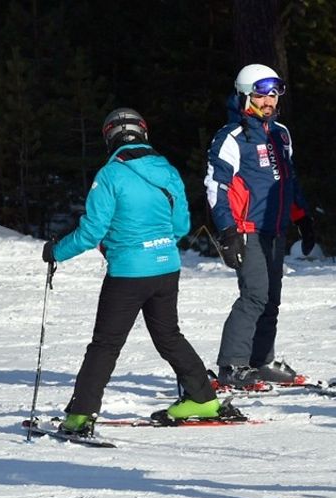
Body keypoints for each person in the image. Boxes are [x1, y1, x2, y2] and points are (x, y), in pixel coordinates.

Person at [43, 108, 223, 435]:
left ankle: (81, 416)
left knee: (105, 345)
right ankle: (203, 398)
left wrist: (55, 251)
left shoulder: (110, 176)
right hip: (166, 268)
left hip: (128, 274)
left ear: (109, 137)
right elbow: (180, 226)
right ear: (143, 133)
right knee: (169, 337)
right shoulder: (166, 170)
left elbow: (90, 233)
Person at [205, 63, 314, 389]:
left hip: (275, 228)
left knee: (272, 298)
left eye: (273, 95)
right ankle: (232, 365)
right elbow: (215, 187)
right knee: (254, 296)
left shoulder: (281, 134)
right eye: (261, 95)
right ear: (244, 96)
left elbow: (288, 181)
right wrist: (227, 231)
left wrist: (302, 218)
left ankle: (261, 360)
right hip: (246, 228)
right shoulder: (232, 138)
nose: (269, 102)